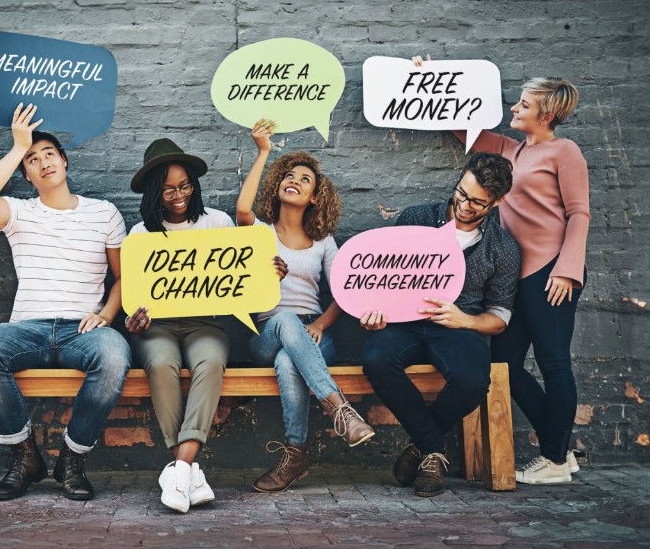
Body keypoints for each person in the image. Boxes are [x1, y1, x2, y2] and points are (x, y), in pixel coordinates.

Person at [0, 103, 130, 501]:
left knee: (115, 356)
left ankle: (72, 459)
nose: (42, 163)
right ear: (26, 173)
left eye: (48, 154)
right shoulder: (18, 212)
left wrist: (107, 314)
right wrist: (17, 147)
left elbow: (126, 276)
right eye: (32, 160)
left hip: (83, 329)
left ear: (65, 160)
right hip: (28, 329)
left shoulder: (103, 212)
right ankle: (25, 457)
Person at [360, 152, 521, 497]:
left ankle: (421, 449)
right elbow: (379, 277)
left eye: (478, 202)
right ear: (460, 179)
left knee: (473, 379)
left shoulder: (502, 246)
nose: (465, 204)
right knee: (375, 358)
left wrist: (467, 319)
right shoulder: (416, 217)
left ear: (497, 202)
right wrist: (374, 312)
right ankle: (433, 448)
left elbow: (501, 316)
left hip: (456, 327)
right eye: (462, 193)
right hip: (402, 323)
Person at [458, 76, 589, 484]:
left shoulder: (564, 151)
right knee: (503, 364)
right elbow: (456, 123)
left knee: (553, 364)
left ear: (546, 115)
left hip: (552, 272)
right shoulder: (507, 149)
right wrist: (422, 75)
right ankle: (561, 450)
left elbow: (579, 212)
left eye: (523, 105)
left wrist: (568, 269)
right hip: (515, 274)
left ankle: (552, 460)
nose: (513, 108)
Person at [236, 119, 375, 493]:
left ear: (315, 197)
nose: (294, 180)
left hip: (313, 331)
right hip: (267, 330)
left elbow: (344, 291)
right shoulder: (261, 232)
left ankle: (295, 454)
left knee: (288, 360)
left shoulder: (323, 241)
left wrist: (322, 326)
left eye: (305, 179)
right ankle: (340, 411)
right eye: (289, 175)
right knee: (283, 322)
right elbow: (242, 209)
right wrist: (264, 151)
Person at [124, 138, 238, 512]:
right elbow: (132, 297)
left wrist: (268, 272)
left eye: (185, 185)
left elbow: (241, 278)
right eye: (169, 188)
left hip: (206, 323)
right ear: (156, 191)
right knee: (159, 362)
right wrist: (134, 322)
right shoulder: (141, 235)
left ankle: (180, 467)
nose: (178, 195)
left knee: (210, 361)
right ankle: (189, 470)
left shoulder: (218, 223)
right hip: (157, 327)